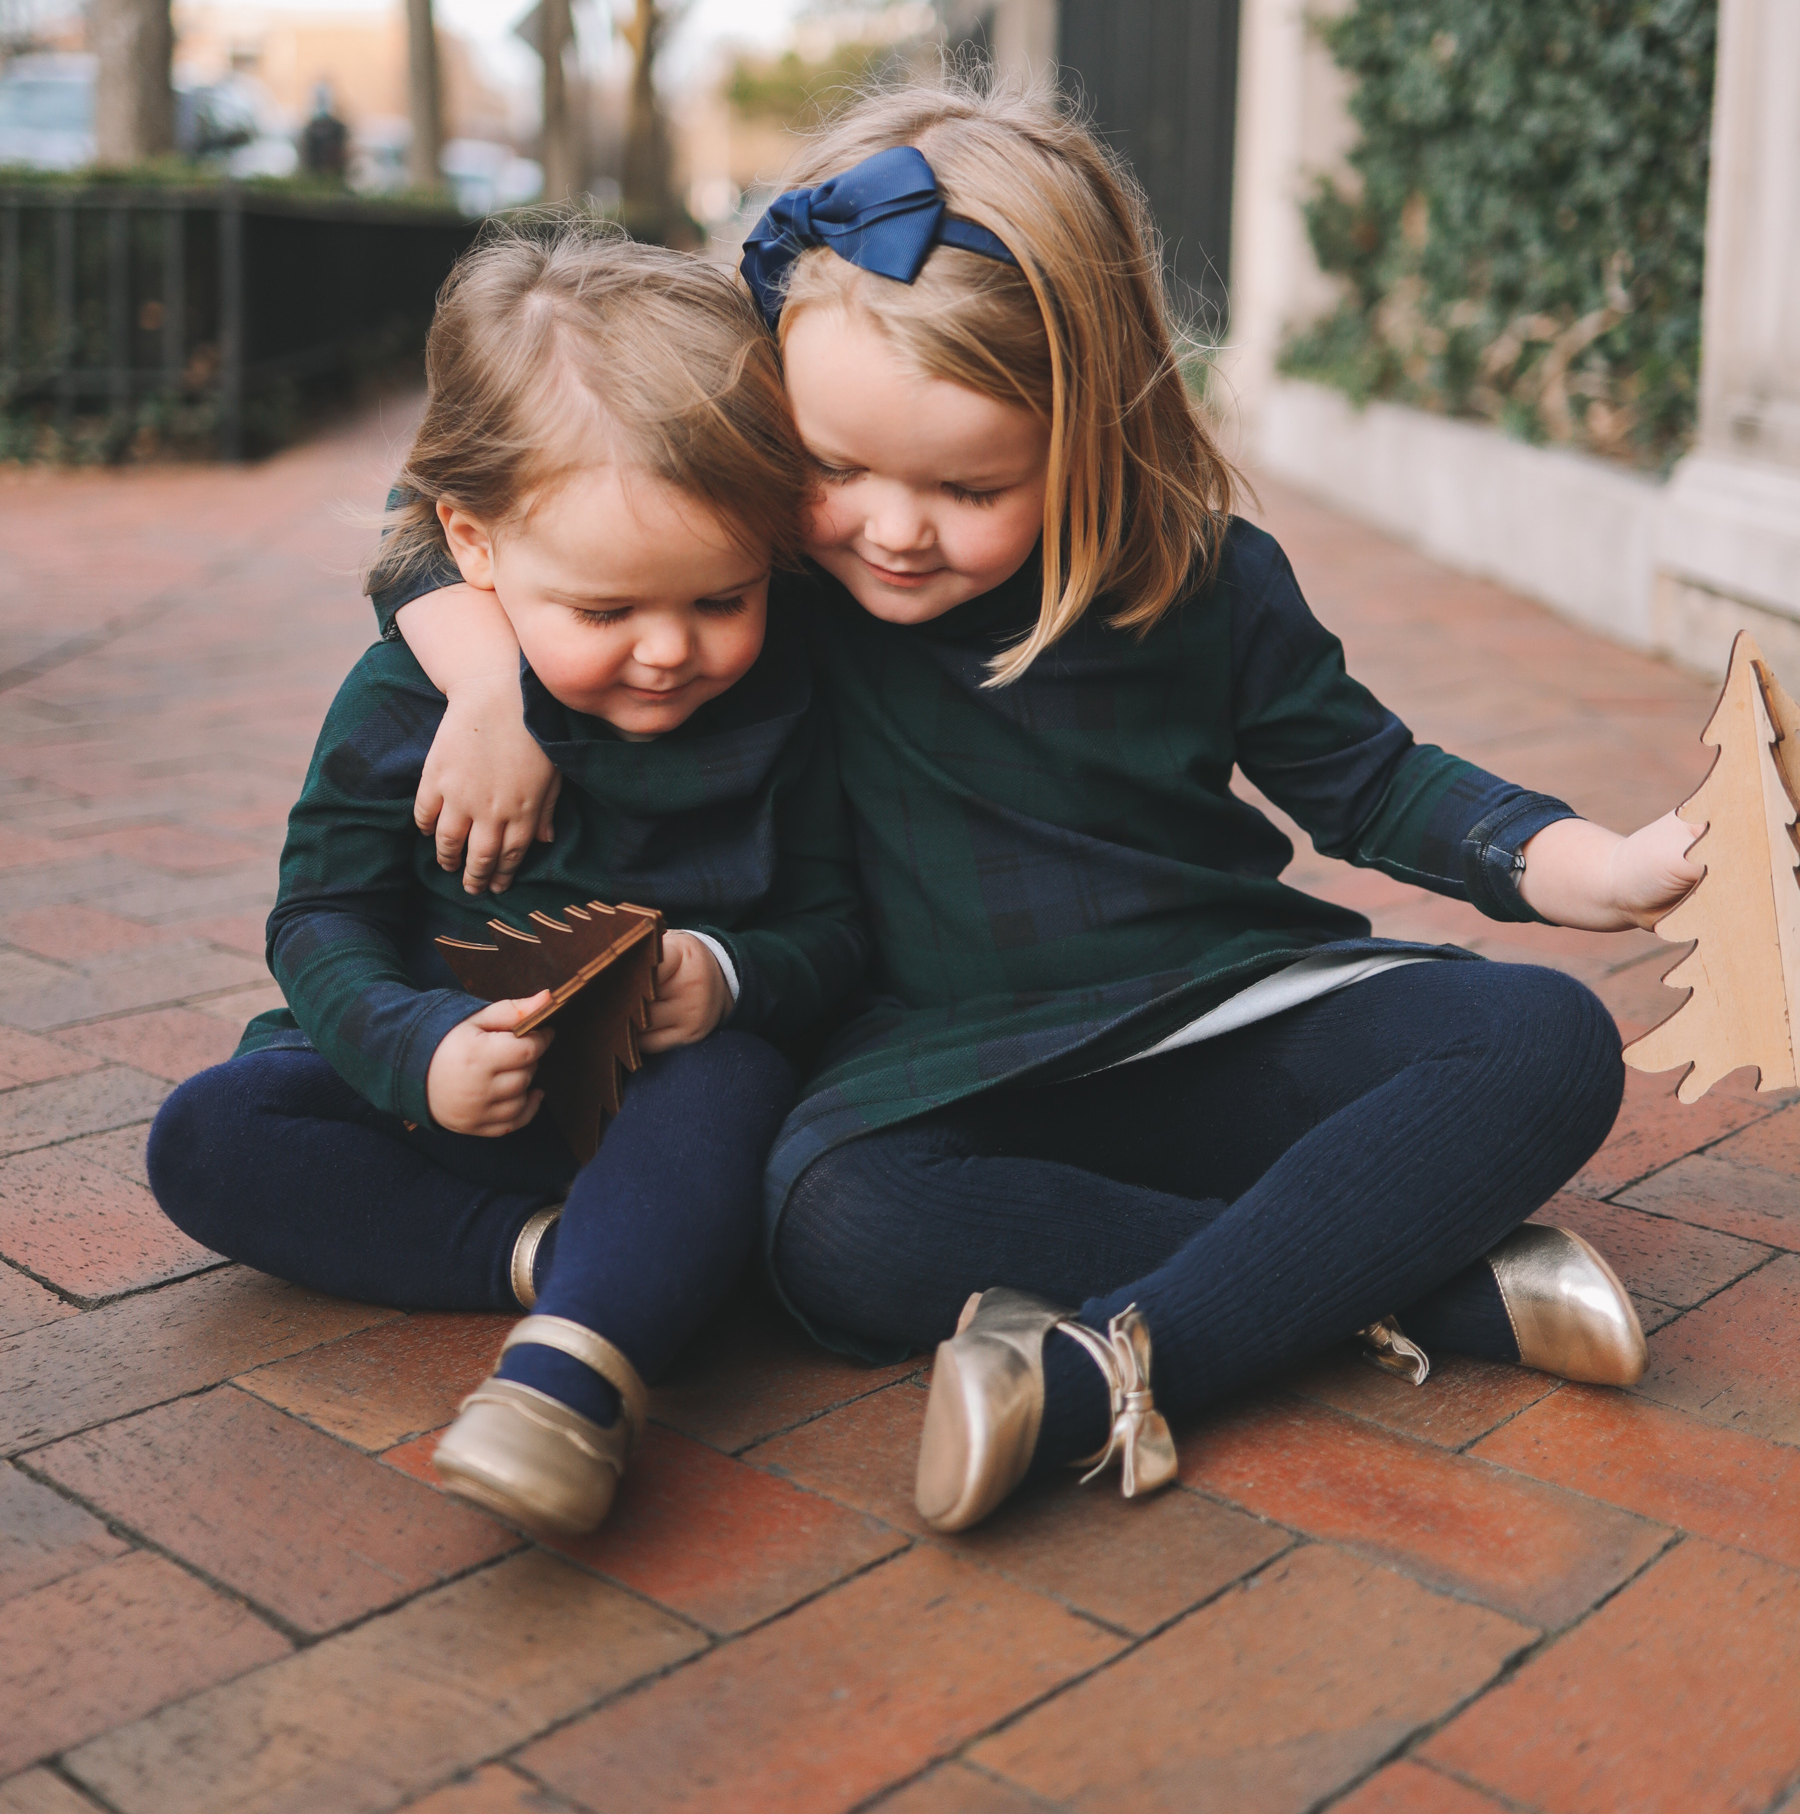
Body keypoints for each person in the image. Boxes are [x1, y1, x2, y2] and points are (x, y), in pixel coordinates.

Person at [379, 82, 1703, 1538]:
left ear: (1090, 424)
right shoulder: (779, 586)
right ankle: (1414, 1280)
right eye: (834, 465)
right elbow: (438, 533)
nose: (891, 525)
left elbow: (1372, 778)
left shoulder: (1198, 578)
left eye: (969, 483)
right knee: (830, 1228)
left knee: (1548, 1038)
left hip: (1220, 1018)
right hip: (945, 1074)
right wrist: (492, 692)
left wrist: (1575, 859)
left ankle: (1115, 1367)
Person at [145, 225, 863, 1540]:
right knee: (208, 1137)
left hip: (669, 1093)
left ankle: (571, 1370)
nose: (669, 652)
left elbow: (834, 921)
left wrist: (728, 975)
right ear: (472, 546)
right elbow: (322, 917)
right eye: (605, 612)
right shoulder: (407, 701)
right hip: (448, 1090)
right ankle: (546, 1256)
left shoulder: (782, 694)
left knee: (736, 1078)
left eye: (721, 597)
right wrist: (417, 1050)